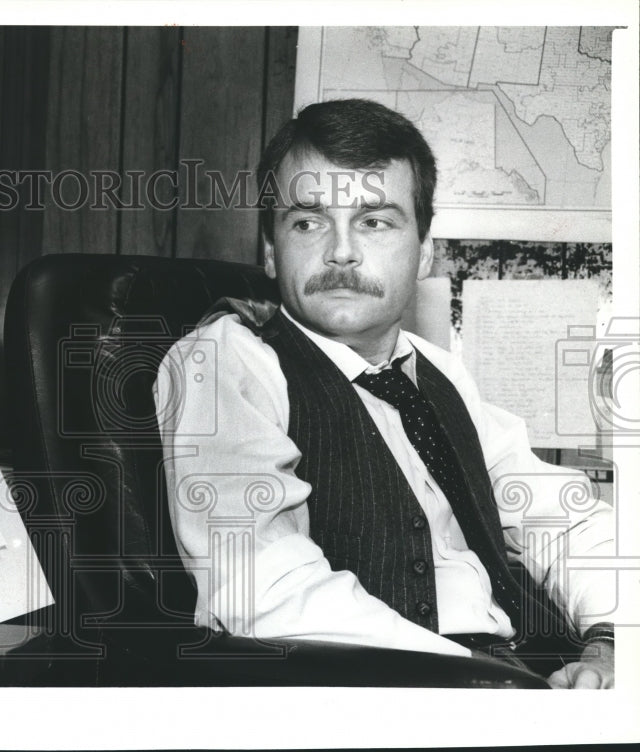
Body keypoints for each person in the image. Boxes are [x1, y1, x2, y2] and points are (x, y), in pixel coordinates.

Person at [154, 99, 615, 688]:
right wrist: (485, 682)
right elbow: (261, 585)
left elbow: (561, 517)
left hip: (524, 668)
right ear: (270, 250)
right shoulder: (224, 358)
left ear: (424, 250)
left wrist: (610, 642)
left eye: (374, 220)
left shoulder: (438, 372)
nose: (341, 250)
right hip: (372, 693)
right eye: (307, 221)